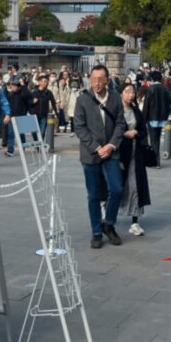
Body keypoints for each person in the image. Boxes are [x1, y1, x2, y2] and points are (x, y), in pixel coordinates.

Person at [73, 65, 127, 249]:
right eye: (93, 79)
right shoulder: (83, 99)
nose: (97, 83)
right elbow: (79, 127)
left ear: (107, 80)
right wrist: (97, 148)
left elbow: (121, 123)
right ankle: (96, 232)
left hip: (111, 152)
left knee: (117, 189)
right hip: (91, 154)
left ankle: (109, 224)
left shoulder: (115, 98)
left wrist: (111, 145)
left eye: (100, 79)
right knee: (93, 195)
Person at [117, 83, 152, 236]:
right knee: (115, 186)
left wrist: (136, 132)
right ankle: (107, 212)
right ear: (121, 94)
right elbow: (109, 131)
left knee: (135, 186)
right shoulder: (114, 111)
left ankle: (135, 222)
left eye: (132, 92)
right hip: (118, 154)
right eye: (127, 92)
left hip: (135, 154)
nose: (130, 95)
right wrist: (125, 134)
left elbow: (144, 131)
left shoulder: (136, 111)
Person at [142, 71, 171, 168]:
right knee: (157, 139)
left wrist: (144, 118)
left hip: (152, 118)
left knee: (153, 140)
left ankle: (156, 162)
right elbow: (170, 101)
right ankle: (156, 161)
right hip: (162, 118)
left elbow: (146, 105)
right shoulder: (165, 88)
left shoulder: (151, 89)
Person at [5, 77, 32, 156]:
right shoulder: (10, 94)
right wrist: (8, 115)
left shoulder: (23, 94)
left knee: (21, 134)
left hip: (21, 117)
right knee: (11, 134)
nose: (13, 87)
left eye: (16, 86)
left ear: (19, 87)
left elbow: (28, 95)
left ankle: (22, 147)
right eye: (13, 86)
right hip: (12, 117)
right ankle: (10, 150)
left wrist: (23, 86)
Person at [30, 75, 59, 142]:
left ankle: (39, 147)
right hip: (34, 115)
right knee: (34, 132)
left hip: (44, 115)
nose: (45, 83)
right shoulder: (34, 92)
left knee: (42, 132)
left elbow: (53, 103)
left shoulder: (48, 93)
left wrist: (57, 114)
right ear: (39, 82)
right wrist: (32, 102)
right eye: (44, 81)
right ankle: (37, 143)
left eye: (46, 82)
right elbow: (28, 102)